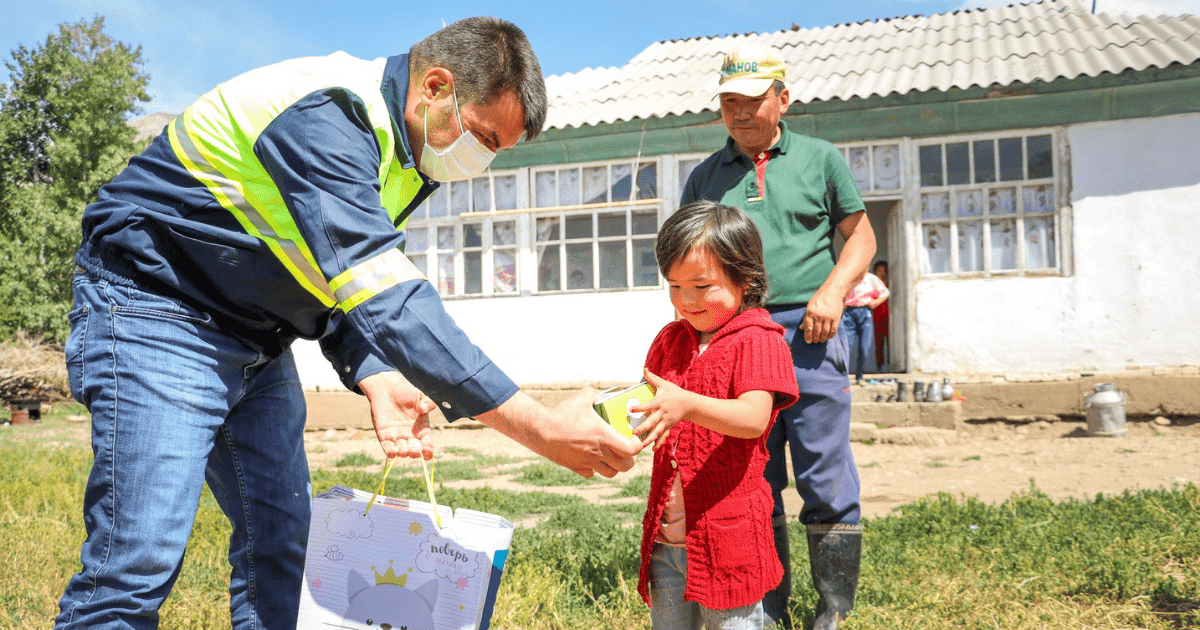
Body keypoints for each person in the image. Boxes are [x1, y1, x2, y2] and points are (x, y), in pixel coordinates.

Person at [56, 17, 640, 630]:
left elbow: (332, 277)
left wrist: (375, 372)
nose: (483, 161)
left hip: (254, 334)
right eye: (484, 138)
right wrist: (540, 427)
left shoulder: (406, 155)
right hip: (159, 309)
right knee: (137, 560)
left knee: (283, 543)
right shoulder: (326, 117)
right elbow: (386, 294)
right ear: (436, 87)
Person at [680, 43, 877, 630]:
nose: (739, 113)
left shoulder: (819, 159)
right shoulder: (705, 177)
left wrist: (833, 291)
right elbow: (691, 263)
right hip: (737, 337)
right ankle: (765, 610)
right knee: (751, 479)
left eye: (752, 101)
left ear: (782, 100)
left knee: (825, 472)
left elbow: (861, 237)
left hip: (810, 332)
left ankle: (832, 613)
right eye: (728, 103)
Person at [630, 200, 799, 629]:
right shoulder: (671, 340)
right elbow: (652, 406)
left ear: (745, 279)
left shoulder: (759, 340)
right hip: (668, 539)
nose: (686, 300)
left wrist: (686, 404)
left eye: (701, 286)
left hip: (730, 542)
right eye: (674, 286)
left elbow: (753, 418)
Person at [842, 269, 890, 384]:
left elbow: (885, 293)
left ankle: (860, 376)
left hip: (865, 311)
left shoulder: (870, 278)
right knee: (845, 346)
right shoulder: (847, 276)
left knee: (865, 347)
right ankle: (843, 377)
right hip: (849, 313)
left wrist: (875, 302)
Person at [870, 261, 890, 369]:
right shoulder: (872, 286)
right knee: (879, 342)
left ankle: (892, 365)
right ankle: (880, 366)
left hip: (890, 317)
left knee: (891, 341)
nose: (881, 273)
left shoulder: (890, 284)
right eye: (879, 271)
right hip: (877, 317)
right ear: (875, 272)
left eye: (884, 271)